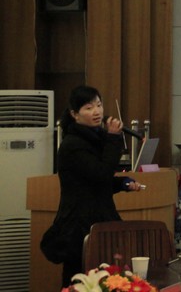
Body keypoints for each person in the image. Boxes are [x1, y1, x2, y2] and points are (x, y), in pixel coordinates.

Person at [40, 85, 144, 287]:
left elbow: (95, 182)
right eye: (88, 108)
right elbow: (101, 174)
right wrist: (113, 138)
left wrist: (123, 183)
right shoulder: (73, 145)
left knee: (107, 279)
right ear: (74, 114)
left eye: (99, 105)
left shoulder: (95, 138)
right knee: (81, 280)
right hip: (79, 225)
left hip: (98, 218)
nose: (97, 111)